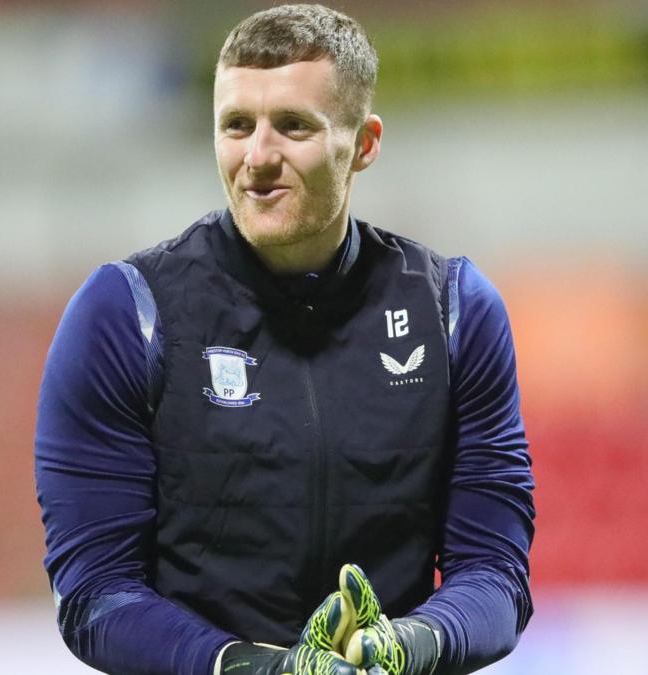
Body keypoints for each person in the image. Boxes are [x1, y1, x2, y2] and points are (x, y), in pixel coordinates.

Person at [34, 4, 534, 674]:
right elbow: (94, 594)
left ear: (364, 143)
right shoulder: (126, 314)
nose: (257, 157)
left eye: (292, 126)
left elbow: (496, 575)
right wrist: (258, 669)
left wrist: (402, 647)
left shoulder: (453, 312)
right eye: (236, 126)